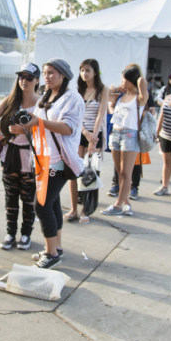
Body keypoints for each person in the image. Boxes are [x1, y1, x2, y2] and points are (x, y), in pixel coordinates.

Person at [21, 58, 84, 269]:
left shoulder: (72, 98)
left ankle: (51, 253)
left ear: (63, 75)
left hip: (59, 160)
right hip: (42, 158)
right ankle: (56, 247)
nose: (47, 77)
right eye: (45, 73)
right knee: (53, 203)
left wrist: (38, 122)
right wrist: (25, 126)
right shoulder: (47, 96)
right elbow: (39, 124)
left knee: (42, 205)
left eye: (52, 73)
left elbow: (68, 128)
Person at [0, 63, 41, 250]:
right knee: (10, 197)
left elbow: (48, 130)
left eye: (29, 77)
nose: (24, 81)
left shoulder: (41, 104)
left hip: (31, 156)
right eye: (21, 77)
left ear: (37, 81)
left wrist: (25, 129)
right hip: (9, 154)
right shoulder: (11, 100)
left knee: (28, 197)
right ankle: (10, 233)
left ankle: (26, 234)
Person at [66, 59, 108, 223]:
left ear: (95, 72)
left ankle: (86, 210)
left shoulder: (103, 90)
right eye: (82, 70)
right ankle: (73, 209)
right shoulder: (78, 90)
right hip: (78, 133)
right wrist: (85, 132)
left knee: (90, 171)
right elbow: (75, 116)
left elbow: (101, 114)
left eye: (88, 70)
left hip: (95, 134)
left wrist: (93, 137)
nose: (84, 73)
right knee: (74, 170)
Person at [104, 64, 149, 215]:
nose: (121, 83)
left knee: (126, 172)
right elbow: (107, 96)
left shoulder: (139, 98)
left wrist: (138, 77)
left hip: (130, 135)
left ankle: (118, 204)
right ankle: (126, 203)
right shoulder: (121, 96)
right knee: (119, 171)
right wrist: (116, 89)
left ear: (131, 80)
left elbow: (142, 82)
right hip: (116, 132)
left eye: (124, 80)